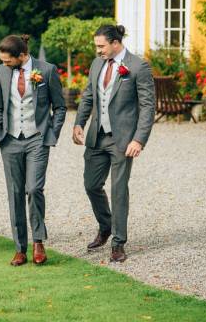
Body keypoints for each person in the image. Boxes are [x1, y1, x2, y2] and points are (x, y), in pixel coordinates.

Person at [72, 25, 155, 263]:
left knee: (119, 190)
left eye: (101, 46)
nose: (98, 50)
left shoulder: (138, 66)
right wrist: (79, 123)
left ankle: (118, 243)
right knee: (91, 185)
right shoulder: (97, 64)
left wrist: (139, 139)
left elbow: (148, 106)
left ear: (115, 43)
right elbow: (89, 95)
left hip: (123, 139)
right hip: (97, 137)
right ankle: (105, 226)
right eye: (96, 46)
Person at [0, 34, 66, 266]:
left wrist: (51, 132)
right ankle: (20, 248)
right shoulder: (2, 72)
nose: (4, 64)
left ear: (22, 56)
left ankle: (38, 241)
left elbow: (60, 106)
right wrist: (0, 132)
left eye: (7, 60)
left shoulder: (47, 70)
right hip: (10, 140)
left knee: (34, 189)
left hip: (37, 139)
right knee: (14, 193)